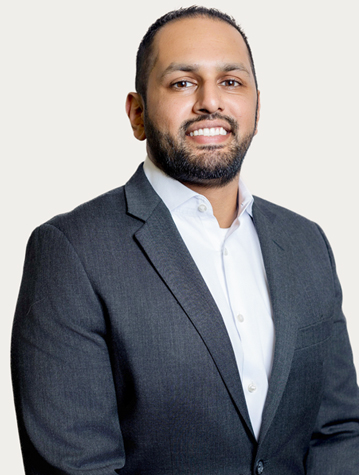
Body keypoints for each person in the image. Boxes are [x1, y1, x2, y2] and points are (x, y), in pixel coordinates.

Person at [11, 6, 359, 474]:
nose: (210, 102)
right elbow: (77, 466)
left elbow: (338, 431)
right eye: (182, 83)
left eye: (231, 82)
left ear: (258, 105)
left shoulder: (306, 242)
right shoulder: (71, 252)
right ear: (137, 114)